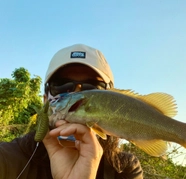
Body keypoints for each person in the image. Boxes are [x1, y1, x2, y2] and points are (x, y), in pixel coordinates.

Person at [0, 44, 143, 179]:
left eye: (92, 88)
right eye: (61, 85)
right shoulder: (7, 157)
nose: (76, 96)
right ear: (45, 101)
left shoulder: (126, 169)